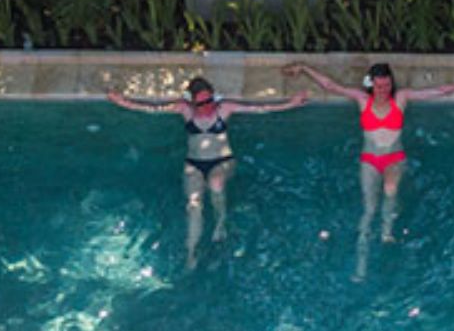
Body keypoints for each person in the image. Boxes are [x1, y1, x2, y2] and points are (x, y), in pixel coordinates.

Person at [280, 61, 454, 247]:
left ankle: (386, 233)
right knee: (369, 208)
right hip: (370, 160)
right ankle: (362, 248)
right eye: (379, 85)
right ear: (371, 84)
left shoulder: (400, 98)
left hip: (394, 158)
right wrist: (304, 68)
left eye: (387, 85)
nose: (383, 89)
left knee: (390, 190)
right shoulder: (363, 99)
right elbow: (330, 85)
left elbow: (439, 91)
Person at [107, 78, 309, 265]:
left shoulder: (224, 108)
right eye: (202, 103)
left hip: (223, 162)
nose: (208, 106)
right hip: (194, 164)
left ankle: (220, 224)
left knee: (216, 183)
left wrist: (291, 103)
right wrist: (122, 102)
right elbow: (153, 109)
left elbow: (260, 108)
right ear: (192, 102)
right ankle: (191, 253)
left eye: (210, 100)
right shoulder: (184, 109)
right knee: (193, 205)